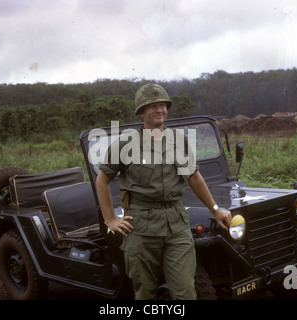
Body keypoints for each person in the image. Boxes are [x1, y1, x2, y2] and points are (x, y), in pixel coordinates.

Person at [96, 83, 231, 300]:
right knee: (145, 292)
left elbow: (194, 177)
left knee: (186, 292)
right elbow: (102, 180)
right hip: (140, 228)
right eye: (152, 106)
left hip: (176, 225)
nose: (159, 110)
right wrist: (110, 219)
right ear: (141, 111)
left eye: (163, 105)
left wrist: (215, 209)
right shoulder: (125, 145)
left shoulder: (178, 141)